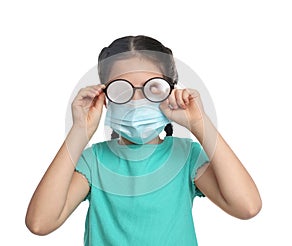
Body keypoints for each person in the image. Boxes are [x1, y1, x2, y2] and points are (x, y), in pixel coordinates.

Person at [25, 35, 262, 245]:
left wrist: (200, 124)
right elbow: (40, 223)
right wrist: (80, 131)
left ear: (170, 91)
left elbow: (247, 207)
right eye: (121, 90)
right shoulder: (94, 161)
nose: (137, 100)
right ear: (105, 96)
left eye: (153, 88)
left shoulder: (185, 156)